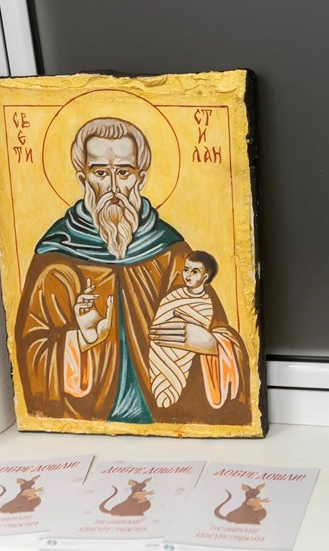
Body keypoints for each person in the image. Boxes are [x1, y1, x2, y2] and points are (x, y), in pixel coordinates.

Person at [14, 117, 250, 425]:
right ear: (83, 180)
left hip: (166, 414)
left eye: (124, 172)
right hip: (86, 416)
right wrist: (81, 340)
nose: (113, 187)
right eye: (101, 173)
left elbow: (222, 333)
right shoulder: (57, 258)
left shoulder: (170, 251)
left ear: (140, 178)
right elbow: (31, 351)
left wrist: (208, 344)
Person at [148, 251, 219, 409]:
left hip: (182, 357)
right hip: (160, 353)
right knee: (160, 394)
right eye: (186, 269)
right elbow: (157, 326)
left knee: (171, 395)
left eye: (195, 271)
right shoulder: (173, 296)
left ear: (205, 277)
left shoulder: (206, 304)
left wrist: (184, 316)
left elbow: (200, 331)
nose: (188, 275)